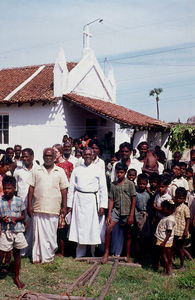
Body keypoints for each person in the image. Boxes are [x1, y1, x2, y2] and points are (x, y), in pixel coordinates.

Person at [27, 148, 69, 264]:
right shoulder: (36, 170)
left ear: (55, 157)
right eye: (46, 155)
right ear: (43, 156)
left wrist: (64, 207)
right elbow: (31, 189)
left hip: (53, 209)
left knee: (51, 235)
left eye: (51, 156)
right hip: (38, 207)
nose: (48, 158)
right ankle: (37, 257)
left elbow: (64, 190)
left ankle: (48, 257)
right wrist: (29, 206)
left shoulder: (59, 171)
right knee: (38, 235)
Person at [67, 147, 108, 258]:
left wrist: (102, 206)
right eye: (85, 154)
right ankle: (80, 254)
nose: (87, 156)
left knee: (93, 227)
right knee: (80, 226)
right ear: (83, 156)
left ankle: (93, 252)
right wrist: (69, 205)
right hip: (79, 200)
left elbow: (103, 188)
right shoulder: (77, 170)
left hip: (92, 200)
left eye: (90, 154)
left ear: (93, 155)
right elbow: (71, 188)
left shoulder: (98, 169)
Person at [102, 163, 136, 263]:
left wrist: (131, 215)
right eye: (118, 172)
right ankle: (106, 253)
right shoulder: (113, 184)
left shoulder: (130, 184)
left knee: (128, 234)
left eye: (121, 172)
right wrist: (109, 214)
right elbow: (111, 199)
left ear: (125, 173)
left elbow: (133, 199)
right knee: (108, 229)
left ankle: (128, 256)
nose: (119, 174)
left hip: (127, 211)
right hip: (116, 211)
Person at [0, 176, 27, 289]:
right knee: (1, 252)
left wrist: (16, 219)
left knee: (17, 255)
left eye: (9, 188)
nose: (7, 191)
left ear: (14, 189)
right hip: (5, 231)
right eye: (5, 188)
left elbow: (23, 216)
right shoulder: (0, 201)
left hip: (18, 231)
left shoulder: (19, 200)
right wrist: (2, 219)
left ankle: (16, 277)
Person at [13, 148, 37, 257]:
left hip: (34, 202)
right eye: (23, 156)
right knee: (22, 227)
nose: (25, 158)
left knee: (33, 227)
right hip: (21, 203)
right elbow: (15, 188)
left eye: (27, 156)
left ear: (32, 157)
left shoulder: (37, 169)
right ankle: (22, 251)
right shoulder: (18, 170)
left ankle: (31, 250)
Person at [52, 144, 73, 257]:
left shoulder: (69, 165)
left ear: (60, 152)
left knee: (63, 226)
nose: (54, 154)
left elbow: (70, 184)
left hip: (64, 197)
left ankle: (63, 250)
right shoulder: (52, 165)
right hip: (54, 197)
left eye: (55, 152)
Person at [154, 200, 176, 275]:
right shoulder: (166, 217)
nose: (162, 210)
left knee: (163, 255)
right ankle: (168, 268)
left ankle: (167, 271)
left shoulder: (170, 219)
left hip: (163, 239)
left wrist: (164, 242)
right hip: (164, 239)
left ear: (169, 209)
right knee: (167, 253)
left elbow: (169, 233)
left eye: (164, 208)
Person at [173, 187, 190, 270]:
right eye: (177, 197)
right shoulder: (173, 205)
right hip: (174, 230)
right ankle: (171, 261)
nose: (178, 200)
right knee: (173, 247)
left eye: (180, 198)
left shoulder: (185, 208)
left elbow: (188, 219)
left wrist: (186, 230)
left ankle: (182, 265)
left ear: (184, 199)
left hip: (181, 231)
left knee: (180, 248)